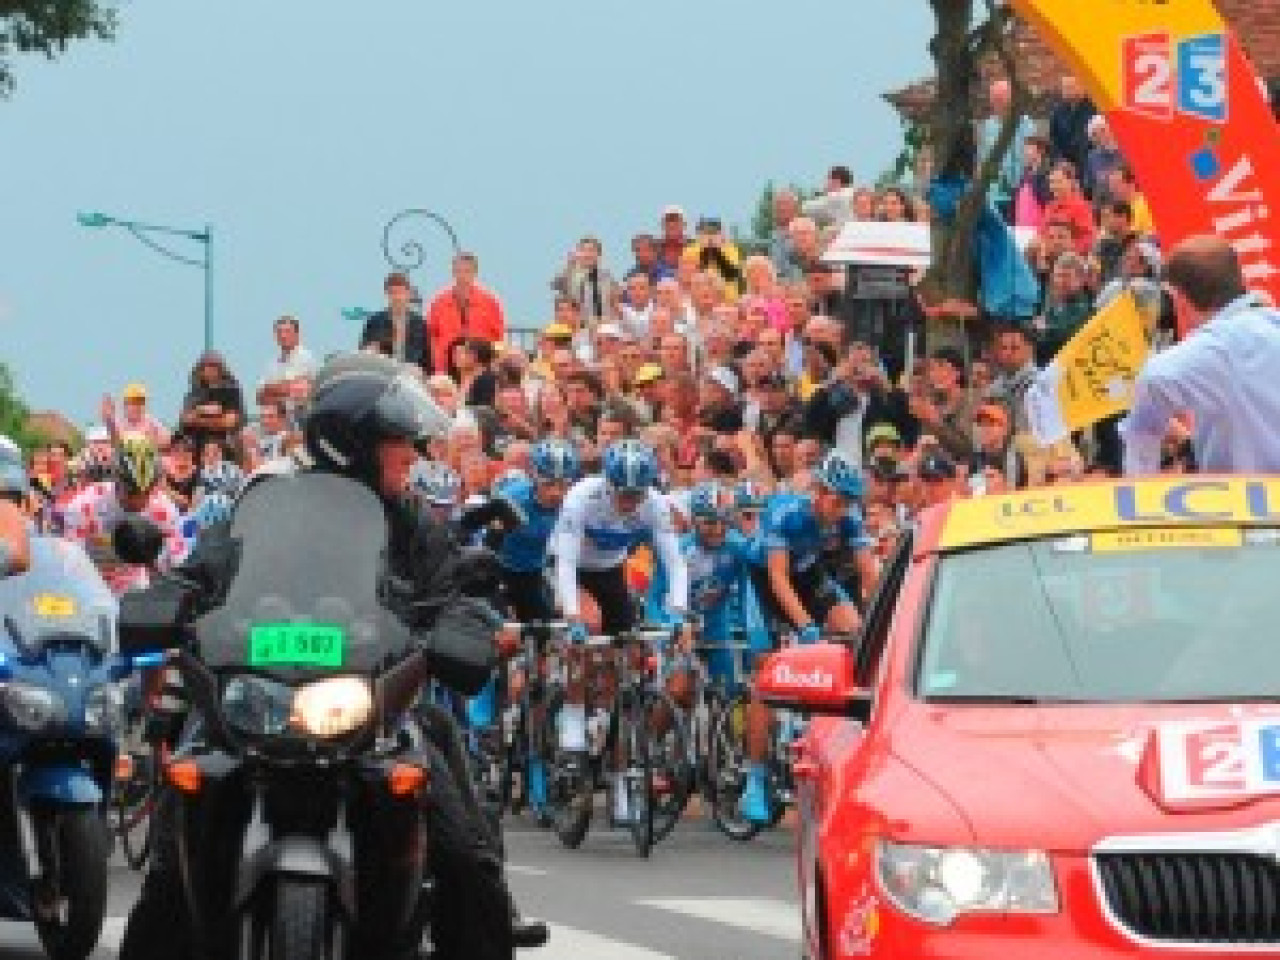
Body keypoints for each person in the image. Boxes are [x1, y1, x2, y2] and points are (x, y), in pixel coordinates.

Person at [116, 353, 545, 960]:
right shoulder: (266, 504)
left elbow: (454, 589)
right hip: (257, 698)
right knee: (169, 866)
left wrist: (471, 624)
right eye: (402, 441)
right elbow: (202, 573)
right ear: (357, 443)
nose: (414, 454)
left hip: (376, 709)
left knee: (466, 859)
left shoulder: (414, 521)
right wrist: (165, 599)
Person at [1121, 237, 1280, 475]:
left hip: (1252, 503)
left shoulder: (1219, 348)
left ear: (1179, 298)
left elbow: (1153, 379)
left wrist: (1141, 468)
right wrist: (1188, 442)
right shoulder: (1269, 323)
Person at [749, 449, 877, 647]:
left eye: (850, 502)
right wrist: (806, 625)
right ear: (819, 491)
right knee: (780, 646)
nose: (843, 510)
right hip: (764, 575)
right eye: (838, 502)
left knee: (853, 627)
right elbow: (778, 578)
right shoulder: (784, 514)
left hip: (806, 569)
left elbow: (868, 572)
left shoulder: (850, 515)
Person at [59, 434, 188, 596]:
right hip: (90, 588)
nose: (138, 500)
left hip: (137, 595)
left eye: (146, 492)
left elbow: (177, 563)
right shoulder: (83, 506)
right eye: (131, 491)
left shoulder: (165, 512)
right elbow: (69, 564)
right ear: (116, 480)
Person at [361, 271, 431, 371]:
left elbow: (426, 356)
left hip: (411, 371)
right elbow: (363, 351)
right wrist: (370, 350)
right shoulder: (375, 321)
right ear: (387, 294)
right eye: (393, 293)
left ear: (409, 293)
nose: (397, 297)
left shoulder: (420, 323)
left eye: (401, 292)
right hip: (382, 369)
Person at [178, 351, 245, 450]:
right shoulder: (194, 393)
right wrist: (201, 412)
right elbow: (186, 419)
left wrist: (199, 419)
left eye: (213, 367)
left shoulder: (231, 390)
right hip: (194, 444)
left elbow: (229, 422)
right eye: (205, 367)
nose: (209, 371)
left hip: (223, 443)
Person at [258, 313, 318, 407]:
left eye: (287, 331)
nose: (283, 336)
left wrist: (272, 390)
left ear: (297, 334)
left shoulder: (305, 358)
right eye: (279, 332)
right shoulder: (273, 364)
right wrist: (283, 388)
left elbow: (298, 392)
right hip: (278, 418)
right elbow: (260, 396)